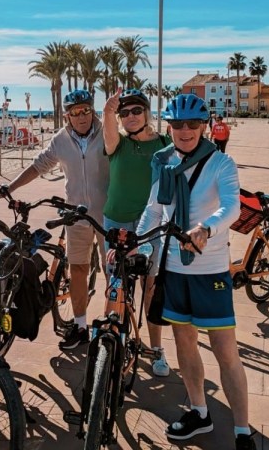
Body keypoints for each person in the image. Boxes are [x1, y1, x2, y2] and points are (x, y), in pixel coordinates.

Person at [137, 94, 255, 450]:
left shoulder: (222, 163)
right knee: (185, 343)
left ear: (204, 127)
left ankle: (242, 430)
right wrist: (139, 245)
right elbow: (153, 212)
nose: (184, 131)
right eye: (177, 125)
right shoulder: (165, 163)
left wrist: (206, 228)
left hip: (210, 270)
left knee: (224, 349)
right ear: (169, 127)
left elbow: (232, 207)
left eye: (191, 125)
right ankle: (200, 412)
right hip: (174, 268)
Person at [0, 89, 109, 350]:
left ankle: (114, 327)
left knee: (112, 272)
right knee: (77, 269)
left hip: (107, 215)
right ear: (67, 115)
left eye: (86, 110)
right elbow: (38, 165)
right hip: (75, 213)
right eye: (75, 112)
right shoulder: (60, 140)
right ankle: (80, 326)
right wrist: (10, 187)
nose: (81, 117)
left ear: (93, 110)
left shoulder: (107, 134)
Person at [102, 88, 172, 377]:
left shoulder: (165, 144)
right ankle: (109, 342)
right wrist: (107, 110)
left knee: (150, 286)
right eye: (124, 112)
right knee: (115, 283)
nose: (130, 116)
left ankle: (156, 349)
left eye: (136, 111)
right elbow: (108, 129)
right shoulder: (118, 144)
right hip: (116, 222)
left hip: (151, 227)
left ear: (146, 113)